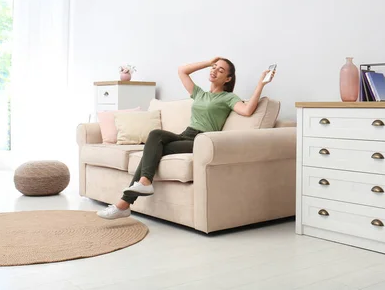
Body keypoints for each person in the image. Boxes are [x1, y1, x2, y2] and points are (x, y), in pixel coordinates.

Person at [97, 57, 276, 219]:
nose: (214, 71)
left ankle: (125, 202)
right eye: (214, 68)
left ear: (228, 79)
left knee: (152, 152)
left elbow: (247, 110)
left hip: (201, 139)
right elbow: (182, 70)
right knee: (155, 135)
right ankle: (141, 186)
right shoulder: (199, 93)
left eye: (220, 70)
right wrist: (209, 62)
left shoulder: (228, 97)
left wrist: (261, 84)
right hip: (186, 134)